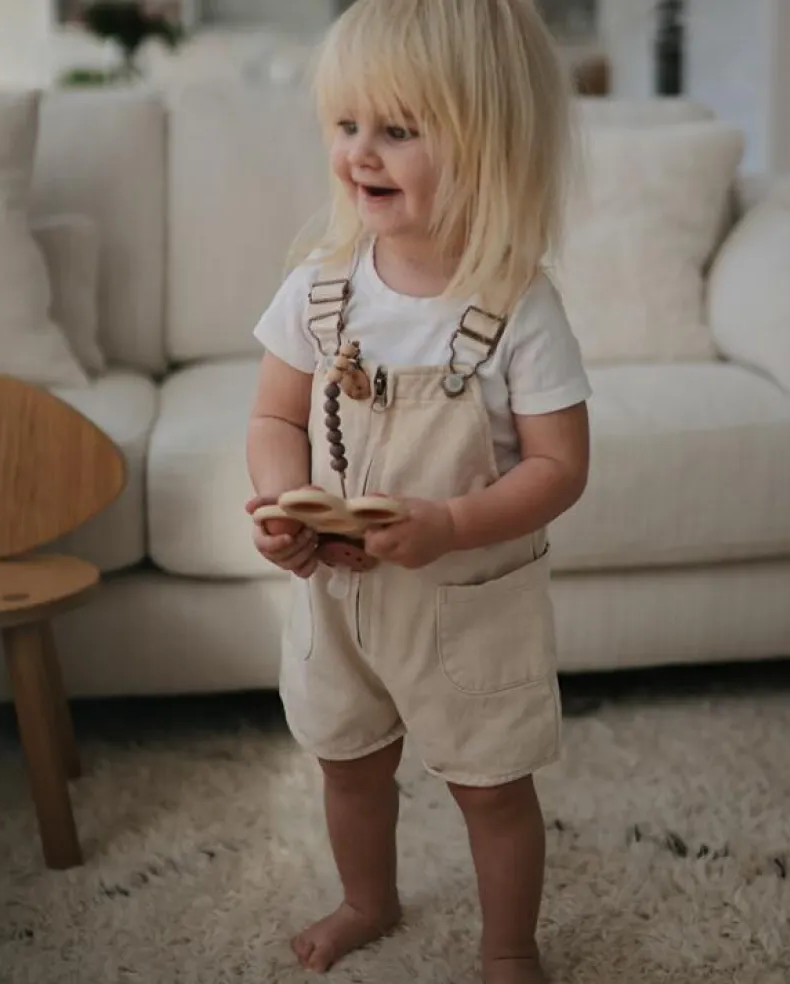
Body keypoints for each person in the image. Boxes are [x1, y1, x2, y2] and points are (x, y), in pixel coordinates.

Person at [246, 1, 591, 981]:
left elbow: (560, 467)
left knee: (491, 786)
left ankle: (508, 948)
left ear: (489, 148)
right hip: (337, 591)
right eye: (347, 123)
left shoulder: (517, 307)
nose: (360, 152)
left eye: (398, 129)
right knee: (348, 763)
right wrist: (281, 502)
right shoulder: (319, 288)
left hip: (465, 602)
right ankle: (368, 899)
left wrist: (453, 522)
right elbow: (273, 418)